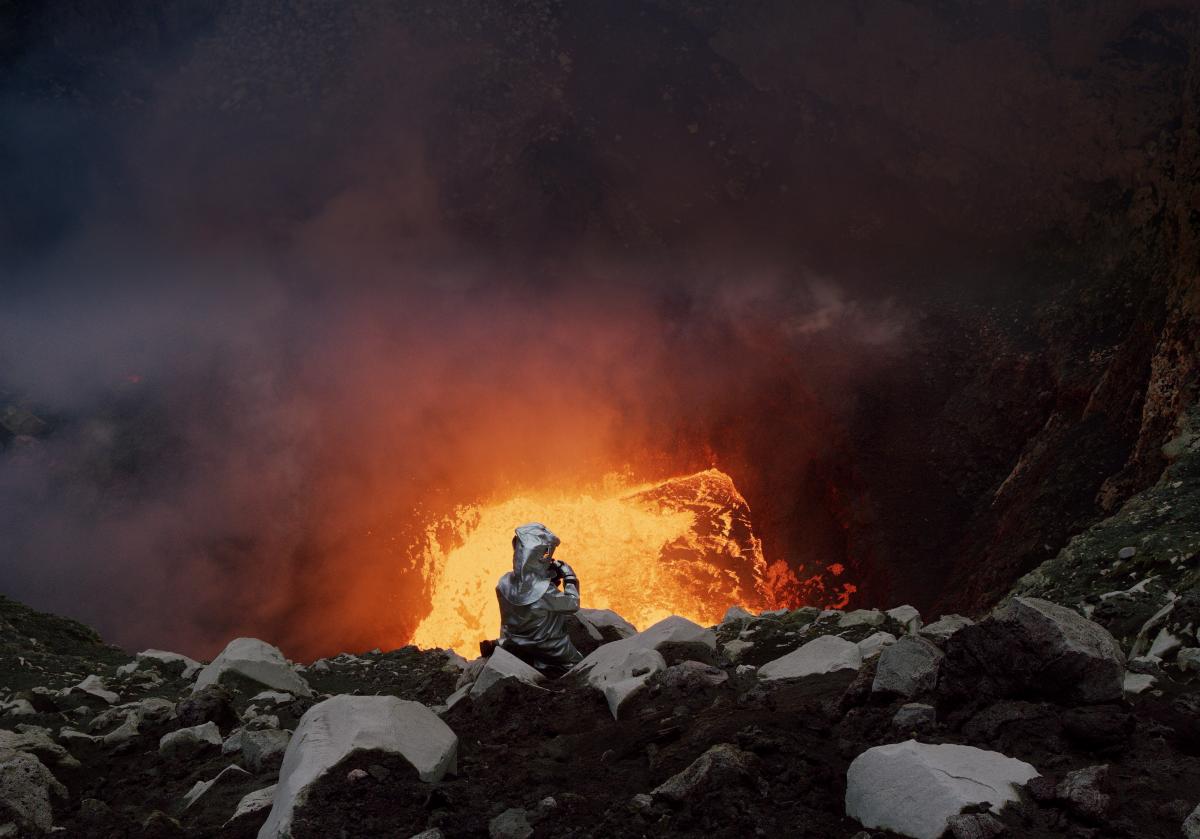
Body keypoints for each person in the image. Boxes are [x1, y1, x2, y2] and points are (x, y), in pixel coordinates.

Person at [494, 522, 583, 672]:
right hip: (549, 649)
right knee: (579, 666)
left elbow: (526, 606)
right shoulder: (545, 592)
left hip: (515, 642)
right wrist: (569, 577)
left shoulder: (503, 583)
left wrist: (546, 579)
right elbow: (573, 604)